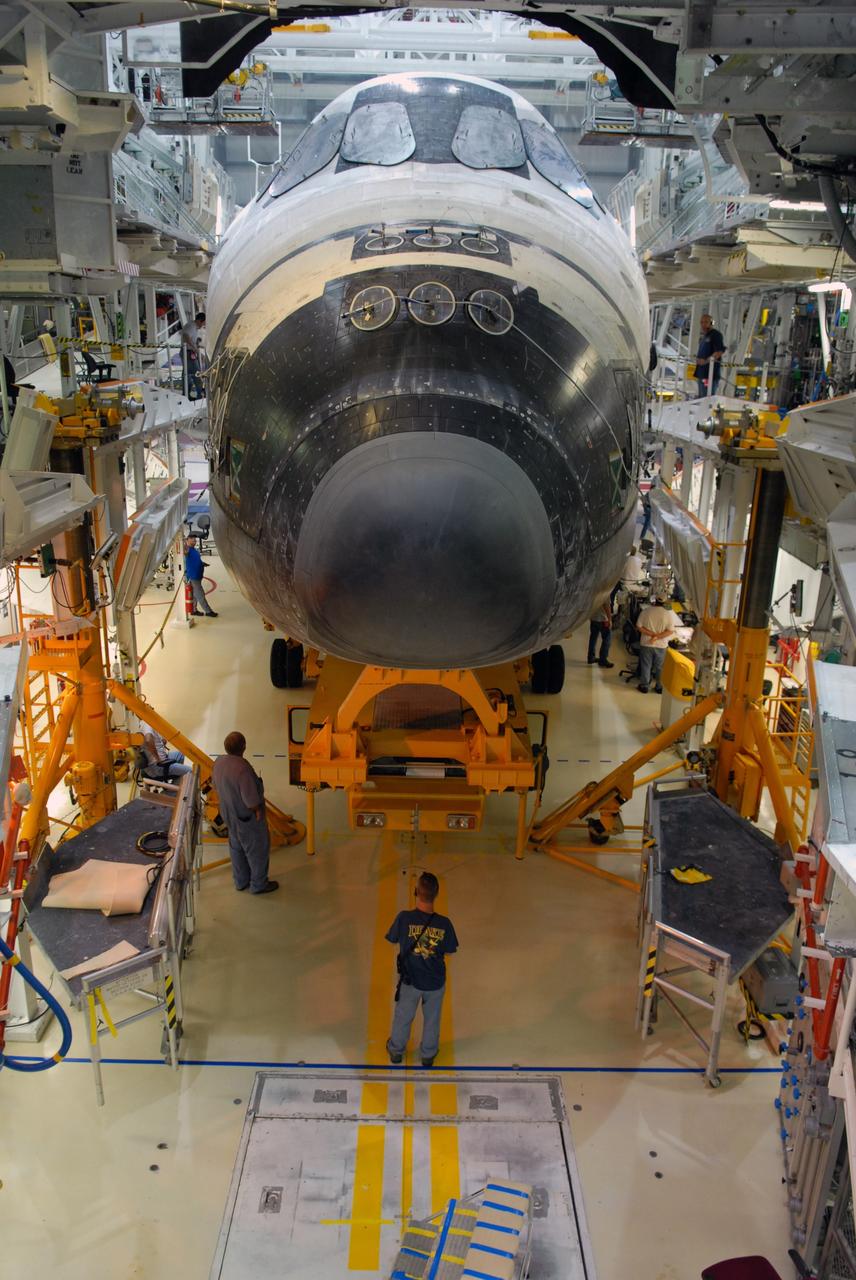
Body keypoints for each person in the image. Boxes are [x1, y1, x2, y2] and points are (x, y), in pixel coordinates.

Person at [386, 871, 458, 1068]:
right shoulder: (445, 923)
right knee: (432, 1019)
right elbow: (450, 951)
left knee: (403, 1016)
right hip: (435, 982)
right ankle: (427, 1055)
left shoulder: (404, 918)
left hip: (411, 980)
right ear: (436, 894)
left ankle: (396, 1051)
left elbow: (392, 939)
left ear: (416, 891)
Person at [211, 731, 277, 894]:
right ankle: (259, 885)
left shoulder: (219, 762)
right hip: (246, 819)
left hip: (228, 814)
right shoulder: (242, 768)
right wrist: (257, 811)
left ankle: (240, 882)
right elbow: (251, 801)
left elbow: (215, 786)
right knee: (257, 850)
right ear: (244, 747)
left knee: (236, 847)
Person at [636, 597, 678, 693]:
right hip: (661, 645)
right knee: (659, 667)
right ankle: (659, 687)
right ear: (664, 603)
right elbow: (670, 631)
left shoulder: (646, 611)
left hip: (646, 643)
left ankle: (644, 686)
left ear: (655, 601)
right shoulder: (668, 614)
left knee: (646, 665)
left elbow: (638, 626)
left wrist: (651, 635)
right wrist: (658, 636)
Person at [184, 535, 217, 617]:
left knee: (195, 595)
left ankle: (194, 610)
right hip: (193, 576)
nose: (194, 541)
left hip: (198, 575)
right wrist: (184, 541)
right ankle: (208, 611)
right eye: (192, 540)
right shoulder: (187, 549)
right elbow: (184, 551)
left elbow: (196, 560)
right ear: (187, 540)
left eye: (195, 540)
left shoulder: (194, 550)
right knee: (200, 594)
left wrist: (202, 564)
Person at [695, 314, 725, 398]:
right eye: (702, 322)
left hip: (710, 374)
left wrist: (706, 361)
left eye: (706, 322)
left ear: (711, 323)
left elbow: (719, 351)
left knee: (707, 398)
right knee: (702, 398)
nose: (703, 325)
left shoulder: (716, 335)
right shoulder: (704, 336)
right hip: (702, 373)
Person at [181, 311, 206, 399]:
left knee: (187, 375)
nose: (202, 326)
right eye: (203, 324)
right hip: (188, 353)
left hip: (188, 352)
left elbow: (190, 338)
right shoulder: (191, 326)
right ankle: (200, 396)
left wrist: (197, 344)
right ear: (200, 321)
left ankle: (186, 396)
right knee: (197, 373)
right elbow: (185, 336)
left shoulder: (193, 327)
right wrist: (195, 349)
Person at [587, 600, 614, 668]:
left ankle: (591, 657)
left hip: (594, 618)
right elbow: (606, 606)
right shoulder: (605, 591)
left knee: (593, 638)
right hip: (603, 620)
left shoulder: (593, 591)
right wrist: (610, 620)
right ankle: (603, 660)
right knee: (607, 640)